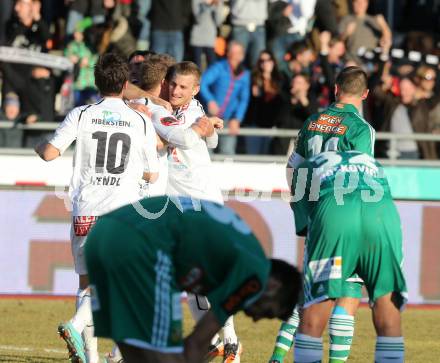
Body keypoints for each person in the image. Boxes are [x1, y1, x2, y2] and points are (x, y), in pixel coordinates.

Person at [34, 53, 160, 363]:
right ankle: (77, 327)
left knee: (87, 283)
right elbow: (152, 172)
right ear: (125, 83)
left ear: (96, 81)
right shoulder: (140, 119)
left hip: (86, 209)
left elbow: (50, 153)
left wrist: (40, 144)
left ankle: (89, 356)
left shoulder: (82, 114)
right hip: (123, 213)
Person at [84, 196, 302, 363]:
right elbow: (196, 345)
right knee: (163, 353)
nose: (257, 319)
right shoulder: (252, 276)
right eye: (268, 312)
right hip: (141, 245)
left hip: (102, 235)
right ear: (273, 285)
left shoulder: (246, 252)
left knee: (137, 350)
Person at [268, 65, 376, 363]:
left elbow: (293, 167)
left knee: (311, 289)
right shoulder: (360, 129)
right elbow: (360, 177)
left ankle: (276, 358)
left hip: (317, 216)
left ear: (336, 88)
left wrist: (302, 204)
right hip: (346, 216)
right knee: (348, 292)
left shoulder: (313, 121)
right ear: (365, 94)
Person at [290, 151, 407, 363]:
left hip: (336, 213)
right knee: (386, 302)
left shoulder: (308, 164)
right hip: (382, 215)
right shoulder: (370, 160)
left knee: (317, 303)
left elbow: (305, 222)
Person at [200, 41, 251, 155]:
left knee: (228, 153)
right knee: (205, 152)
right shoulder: (219, 67)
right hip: (209, 117)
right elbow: (202, 83)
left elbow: (244, 99)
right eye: (232, 52)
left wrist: (237, 119)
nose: (235, 55)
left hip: (228, 119)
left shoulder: (245, 74)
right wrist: (210, 100)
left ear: (242, 56)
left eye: (238, 53)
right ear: (228, 53)